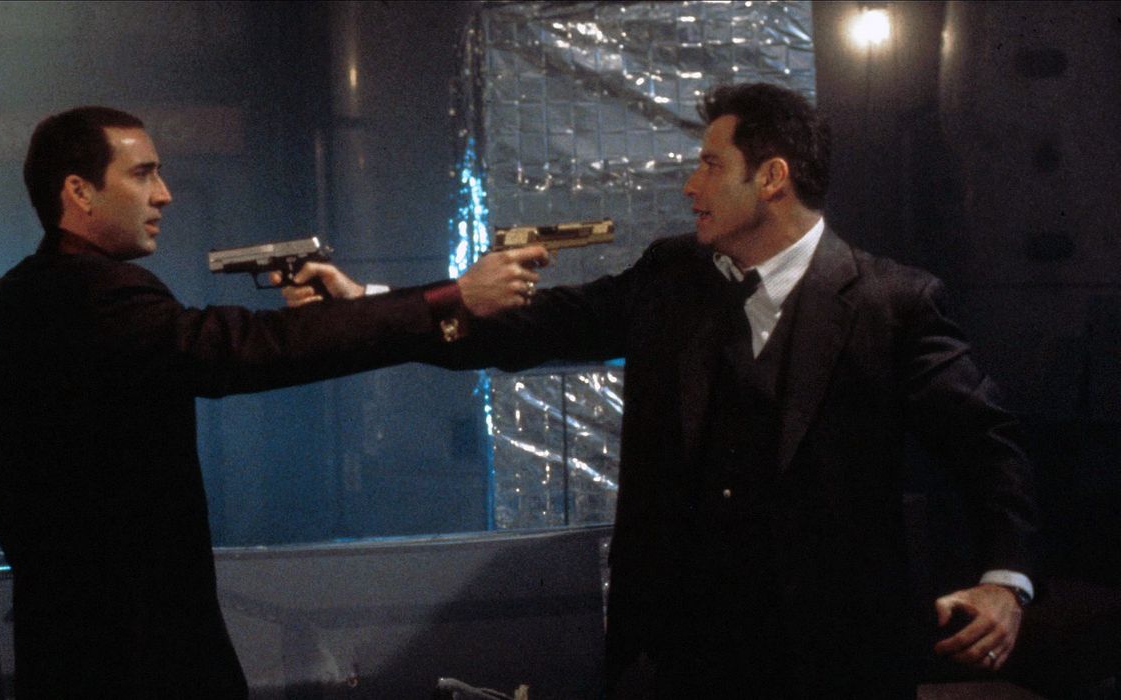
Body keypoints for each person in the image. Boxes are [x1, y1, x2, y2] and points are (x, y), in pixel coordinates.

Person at [285, 82, 1039, 697]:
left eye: (710, 165)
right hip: (680, 661)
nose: (690, 185)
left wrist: (1005, 582)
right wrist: (370, 304)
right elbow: (536, 328)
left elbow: (986, 447)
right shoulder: (673, 276)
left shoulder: (892, 304)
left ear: (771, 178)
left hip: (833, 663)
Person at [0, 106, 547, 698]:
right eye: (142, 174)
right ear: (79, 191)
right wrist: (449, 299)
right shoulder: (92, 295)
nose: (163, 194)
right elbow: (244, 349)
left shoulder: (6, 302)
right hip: (134, 653)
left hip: (74, 643)